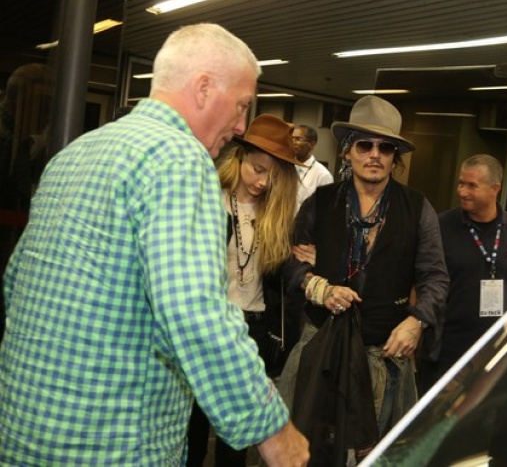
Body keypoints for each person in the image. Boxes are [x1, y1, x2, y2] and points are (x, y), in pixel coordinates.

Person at [0, 23, 308, 466]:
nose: (240, 125)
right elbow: (193, 313)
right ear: (203, 88)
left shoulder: (76, 153)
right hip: (112, 443)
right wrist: (273, 430)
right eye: (241, 106)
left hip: (27, 429)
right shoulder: (178, 159)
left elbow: (17, 284)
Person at [278, 95, 449, 464]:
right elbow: (289, 265)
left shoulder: (417, 208)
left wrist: (417, 323)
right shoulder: (321, 203)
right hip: (322, 350)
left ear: (394, 157)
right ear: (347, 152)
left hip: (383, 356)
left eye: (385, 147)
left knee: (375, 457)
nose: (375, 154)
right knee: (308, 453)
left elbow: (436, 277)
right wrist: (317, 286)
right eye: (365, 145)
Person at [186, 114, 302, 466]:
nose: (264, 182)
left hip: (252, 329)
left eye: (273, 175)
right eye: (257, 169)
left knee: (236, 437)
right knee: (192, 428)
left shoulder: (277, 216)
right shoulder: (207, 200)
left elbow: (282, 279)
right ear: (239, 158)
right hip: (208, 325)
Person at [435, 154, 507, 379]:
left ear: (495, 188)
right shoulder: (441, 226)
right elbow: (421, 283)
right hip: (448, 349)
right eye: (461, 183)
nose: (462, 191)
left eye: (472, 186)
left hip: (496, 349)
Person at [292, 124, 333, 207]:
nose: (293, 142)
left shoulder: (323, 176)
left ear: (312, 144)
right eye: (292, 138)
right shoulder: (286, 167)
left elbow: (325, 208)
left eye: (298, 139)